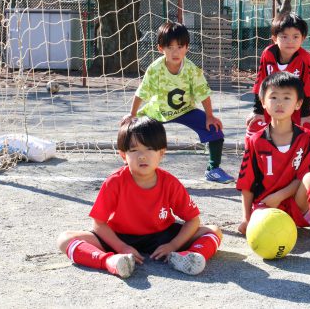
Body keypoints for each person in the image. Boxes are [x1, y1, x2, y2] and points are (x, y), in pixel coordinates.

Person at [57, 117, 223, 278]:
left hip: (162, 235)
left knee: (214, 231)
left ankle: (191, 257)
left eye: (149, 149)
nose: (142, 156)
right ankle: (111, 262)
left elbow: (193, 220)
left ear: (162, 153)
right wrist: (121, 247)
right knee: (65, 239)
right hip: (120, 237)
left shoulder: (170, 182)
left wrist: (173, 245)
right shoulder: (114, 182)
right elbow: (99, 224)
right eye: (134, 150)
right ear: (123, 155)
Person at [237, 72, 310, 261]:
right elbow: (247, 183)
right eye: (274, 97)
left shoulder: (308, 138)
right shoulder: (254, 141)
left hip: (296, 203)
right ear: (263, 102)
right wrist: (246, 218)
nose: (280, 103)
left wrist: (278, 196)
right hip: (266, 206)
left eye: (287, 98)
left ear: (298, 103)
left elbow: (304, 178)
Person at [124, 21, 233, 184]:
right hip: (158, 111)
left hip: (185, 110)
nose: (176, 52)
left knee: (215, 130)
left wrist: (210, 116)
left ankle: (213, 169)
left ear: (187, 47)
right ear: (161, 48)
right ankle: (131, 167)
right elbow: (142, 92)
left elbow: (203, 94)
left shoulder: (191, 70)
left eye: (180, 46)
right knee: (132, 129)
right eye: (170, 47)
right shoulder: (154, 69)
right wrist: (132, 114)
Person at [245, 12, 310, 139]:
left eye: (295, 37)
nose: (290, 41)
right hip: (271, 104)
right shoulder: (267, 54)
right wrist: (258, 111)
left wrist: (305, 113)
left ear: (303, 38)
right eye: (284, 37)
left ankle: (296, 157)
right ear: (274, 38)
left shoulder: (305, 58)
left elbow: (308, 87)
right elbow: (260, 83)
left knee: (309, 131)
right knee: (254, 128)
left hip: (293, 106)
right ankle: (257, 157)